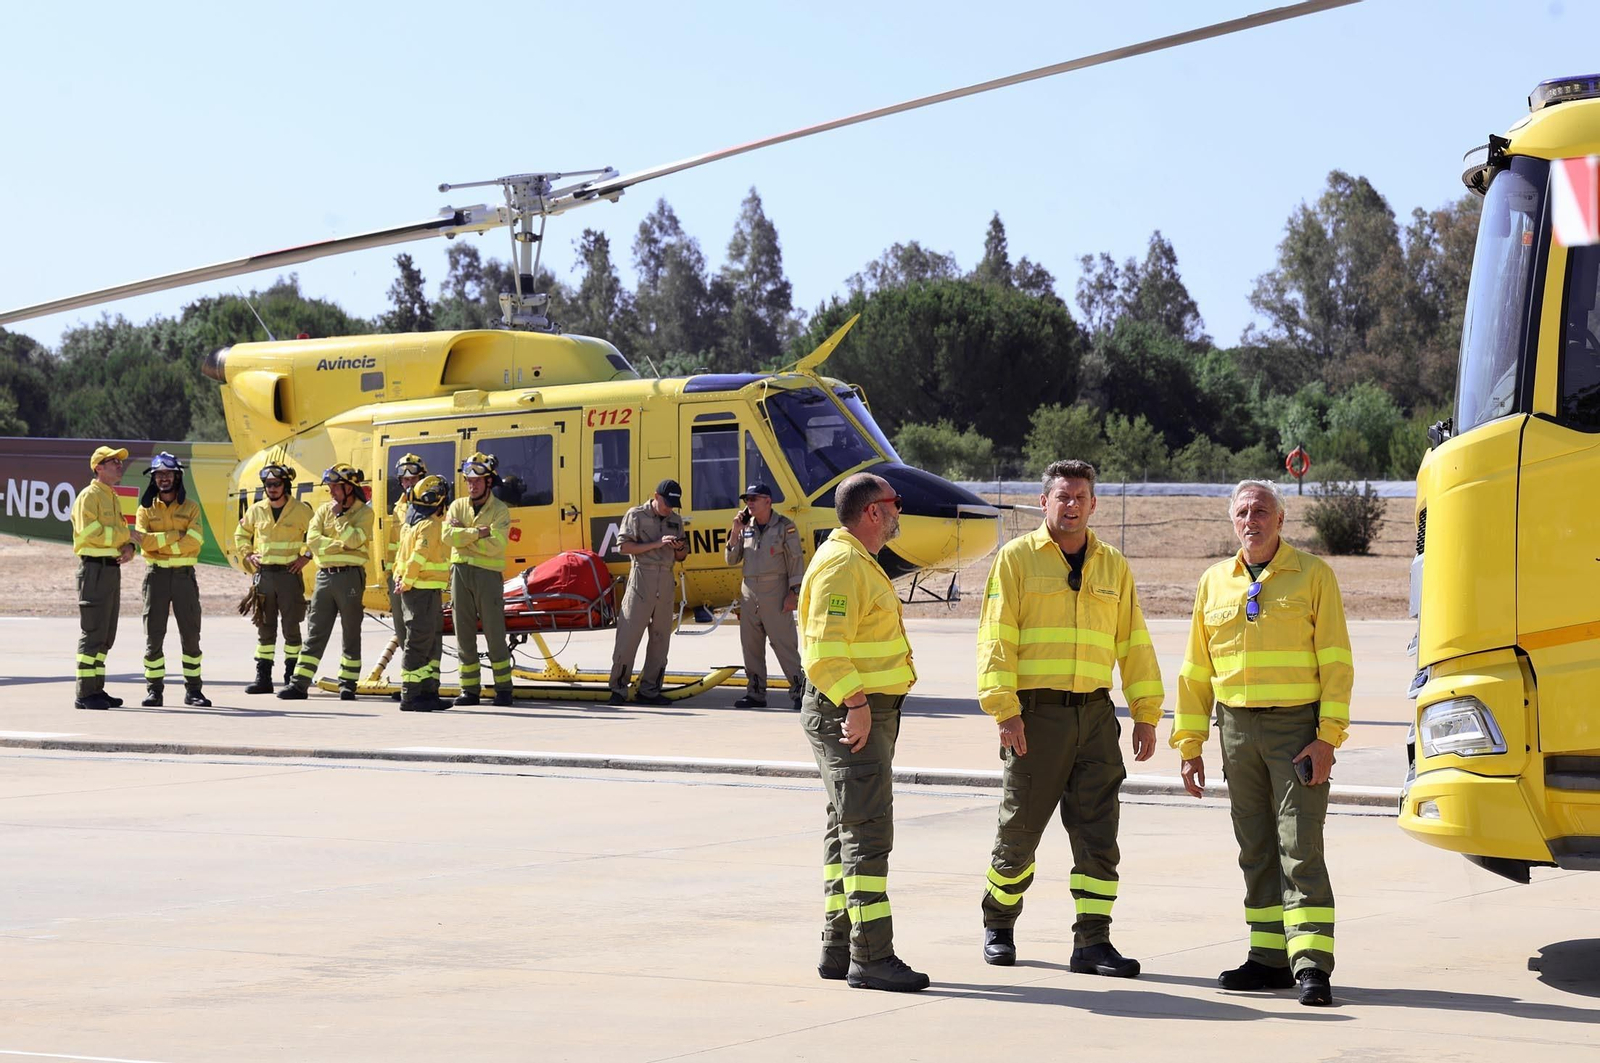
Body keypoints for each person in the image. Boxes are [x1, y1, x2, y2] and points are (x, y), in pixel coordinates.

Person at [975, 459, 1163, 976]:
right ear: (1044, 502)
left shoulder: (1113, 565)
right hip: (1036, 718)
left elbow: (1134, 642)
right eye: (1062, 496)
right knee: (1019, 832)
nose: (1072, 505)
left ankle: (1093, 943)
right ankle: (999, 924)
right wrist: (1004, 711)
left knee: (1100, 836)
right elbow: (995, 639)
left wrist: (1146, 713)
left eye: (1081, 496)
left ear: (1094, 503)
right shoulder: (1015, 560)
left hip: (1096, 718)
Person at [1173, 479, 1353, 1008]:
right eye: (1242, 512)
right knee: (1255, 849)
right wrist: (1189, 745)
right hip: (1235, 731)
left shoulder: (1313, 575)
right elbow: (1194, 671)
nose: (1251, 520)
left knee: (1299, 848)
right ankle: (1268, 958)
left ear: (1281, 520)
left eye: (1262, 511)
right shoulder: (1214, 582)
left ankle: (1312, 964)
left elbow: (1337, 664)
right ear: (1232, 520)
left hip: (1296, 732)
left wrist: (1327, 738)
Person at [798, 472, 926, 993]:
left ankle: (838, 945)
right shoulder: (843, 564)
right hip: (851, 712)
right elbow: (824, 647)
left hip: (861, 711)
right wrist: (855, 701)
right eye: (895, 504)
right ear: (873, 512)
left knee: (845, 827)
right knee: (867, 832)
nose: (899, 512)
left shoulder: (856, 561)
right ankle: (872, 956)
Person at [279, 464, 374, 701]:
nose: (331, 492)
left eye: (335, 487)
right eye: (330, 487)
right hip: (325, 577)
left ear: (349, 488)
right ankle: (299, 684)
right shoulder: (322, 511)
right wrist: (338, 543)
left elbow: (353, 541)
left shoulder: (365, 514)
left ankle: (348, 684)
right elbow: (312, 541)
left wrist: (339, 519)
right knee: (315, 631)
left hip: (350, 576)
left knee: (351, 631)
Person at [134, 452, 209, 707]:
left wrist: (161, 544)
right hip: (156, 577)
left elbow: (196, 542)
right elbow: (143, 543)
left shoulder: (191, 507)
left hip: (183, 578)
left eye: (168, 474)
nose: (163, 479)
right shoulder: (145, 509)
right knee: (154, 635)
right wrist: (176, 535)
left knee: (190, 634)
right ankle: (154, 690)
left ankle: (194, 691)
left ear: (177, 476)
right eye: (159, 475)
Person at [724, 482, 805, 710]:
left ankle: (800, 691)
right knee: (751, 646)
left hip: (775, 591)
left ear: (768, 501)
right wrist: (735, 531)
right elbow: (731, 559)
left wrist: (794, 593)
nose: (749, 503)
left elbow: (795, 561)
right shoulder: (745, 527)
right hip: (749, 592)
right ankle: (755, 693)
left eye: (754, 499)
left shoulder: (785, 527)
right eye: (747, 500)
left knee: (784, 644)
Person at [234, 463, 313, 694]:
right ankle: (264, 678)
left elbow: (317, 535)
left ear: (285, 485)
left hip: (289, 576)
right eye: (268, 485)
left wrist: (305, 557)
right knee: (265, 628)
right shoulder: (256, 510)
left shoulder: (301, 510)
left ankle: (292, 676)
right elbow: (241, 534)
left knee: (291, 627)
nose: (272, 488)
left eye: (277, 484)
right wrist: (248, 554)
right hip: (265, 575)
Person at [608, 479, 688, 706]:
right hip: (642, 577)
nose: (669, 508)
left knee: (660, 638)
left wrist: (679, 548)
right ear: (656, 496)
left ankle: (650, 689)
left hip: (665, 579)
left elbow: (682, 556)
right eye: (666, 503)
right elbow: (623, 547)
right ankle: (618, 688)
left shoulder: (675, 520)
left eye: (673, 504)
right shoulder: (636, 515)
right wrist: (655, 544)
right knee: (629, 636)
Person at [446, 452, 514, 707]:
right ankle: (469, 690)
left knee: (495, 633)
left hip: (487, 576)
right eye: (468, 481)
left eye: (477, 481)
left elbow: (497, 546)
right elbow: (447, 538)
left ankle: (504, 689)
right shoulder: (456, 506)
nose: (471, 486)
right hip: (460, 574)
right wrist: (478, 533)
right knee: (463, 633)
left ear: (488, 482)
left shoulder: (500, 510)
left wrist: (464, 536)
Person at [70, 445, 136, 710]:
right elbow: (90, 533)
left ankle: (97, 688)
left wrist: (130, 548)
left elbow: (122, 532)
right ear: (98, 467)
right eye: (113, 462)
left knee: (106, 633)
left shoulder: (111, 496)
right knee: (93, 630)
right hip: (94, 570)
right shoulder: (89, 496)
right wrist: (126, 538)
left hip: (110, 568)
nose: (119, 466)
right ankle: (85, 693)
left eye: (119, 462)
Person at [394, 474, 452, 712]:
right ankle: (411, 696)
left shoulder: (411, 524)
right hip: (421, 591)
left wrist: (401, 578)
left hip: (426, 590)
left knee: (429, 643)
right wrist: (406, 581)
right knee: (418, 643)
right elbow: (419, 556)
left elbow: (401, 556)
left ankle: (428, 692)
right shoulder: (429, 525)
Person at [387, 453, 428, 668]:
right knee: (402, 629)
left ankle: (421, 677)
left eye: (413, 478)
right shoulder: (399, 508)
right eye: (404, 479)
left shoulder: (434, 505)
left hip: (422, 578)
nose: (408, 483)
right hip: (398, 579)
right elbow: (395, 545)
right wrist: (389, 575)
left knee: (421, 630)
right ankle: (410, 674)